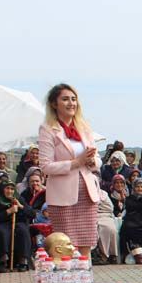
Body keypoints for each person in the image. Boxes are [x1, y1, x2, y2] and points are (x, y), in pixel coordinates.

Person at [37, 83, 101, 257]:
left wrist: (91, 160)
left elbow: (98, 161)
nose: (71, 103)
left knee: (86, 242)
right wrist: (76, 162)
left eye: (73, 99)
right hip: (63, 196)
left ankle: (85, 280)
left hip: (87, 193)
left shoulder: (84, 128)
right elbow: (46, 166)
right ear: (54, 104)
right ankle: (66, 282)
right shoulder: (48, 129)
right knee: (65, 246)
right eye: (65, 99)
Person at [0, 180, 32, 271]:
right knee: (1, 232)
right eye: (7, 188)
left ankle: (23, 261)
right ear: (2, 189)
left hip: (17, 223)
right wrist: (8, 211)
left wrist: (21, 206)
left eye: (12, 189)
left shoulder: (18, 198)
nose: (10, 191)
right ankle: (2, 261)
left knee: (22, 230)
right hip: (1, 223)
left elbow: (32, 214)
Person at [95, 188, 120, 265]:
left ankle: (112, 255)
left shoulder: (104, 194)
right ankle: (101, 255)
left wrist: (98, 207)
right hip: (91, 217)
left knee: (112, 229)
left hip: (106, 215)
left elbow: (109, 208)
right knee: (97, 228)